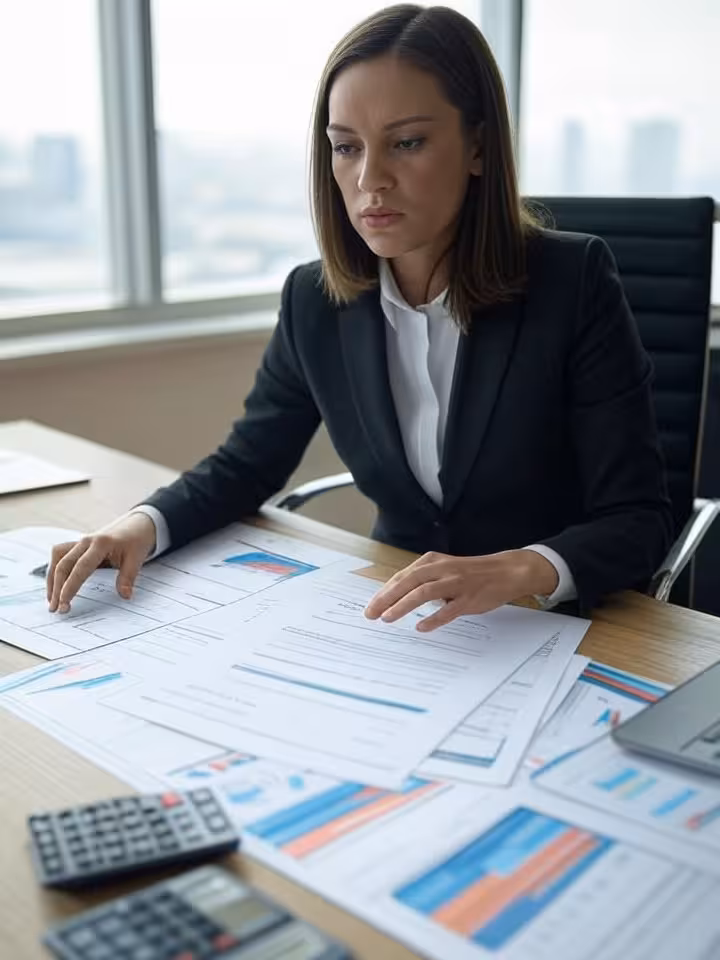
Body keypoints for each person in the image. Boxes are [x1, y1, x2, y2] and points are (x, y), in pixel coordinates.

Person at [46, 3, 672, 630]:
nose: (371, 179)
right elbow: (245, 465)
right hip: (399, 628)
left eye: (407, 143)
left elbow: (638, 519)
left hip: (558, 626)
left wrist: (520, 569)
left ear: (478, 146)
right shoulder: (314, 300)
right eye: (346, 147)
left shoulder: (573, 282)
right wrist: (139, 526)